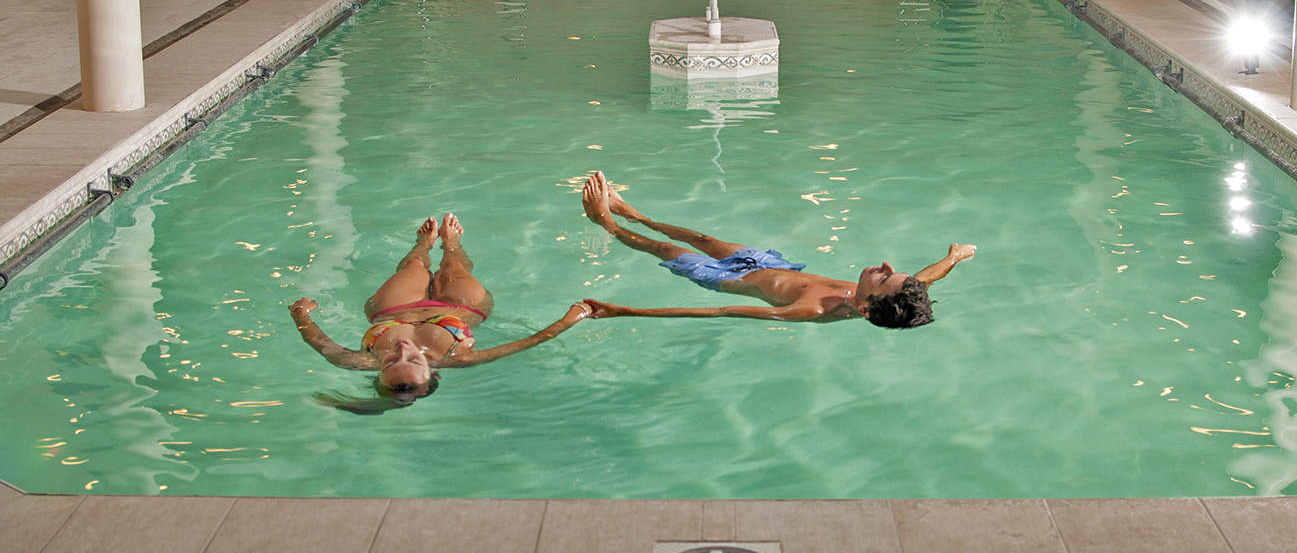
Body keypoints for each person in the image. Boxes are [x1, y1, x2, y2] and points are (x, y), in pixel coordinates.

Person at [579, 171, 976, 328]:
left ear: (866, 309)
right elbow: (927, 277)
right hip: (768, 264)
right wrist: (954, 257)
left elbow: (720, 311)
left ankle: (606, 222)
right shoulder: (893, 295)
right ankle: (633, 213)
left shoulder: (811, 310)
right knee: (701, 238)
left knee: (664, 248)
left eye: (885, 277)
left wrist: (625, 310)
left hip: (726, 278)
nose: (886, 265)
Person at [288, 213, 591, 413]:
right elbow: (530, 341)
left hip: (393, 310)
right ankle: (451, 244)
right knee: (453, 267)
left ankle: (423, 245)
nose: (402, 349)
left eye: (390, 361)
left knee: (413, 266)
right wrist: (574, 316)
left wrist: (300, 313)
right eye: (413, 360)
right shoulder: (460, 358)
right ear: (433, 372)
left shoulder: (357, 361)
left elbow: (316, 339)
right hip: (461, 310)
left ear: (379, 373)